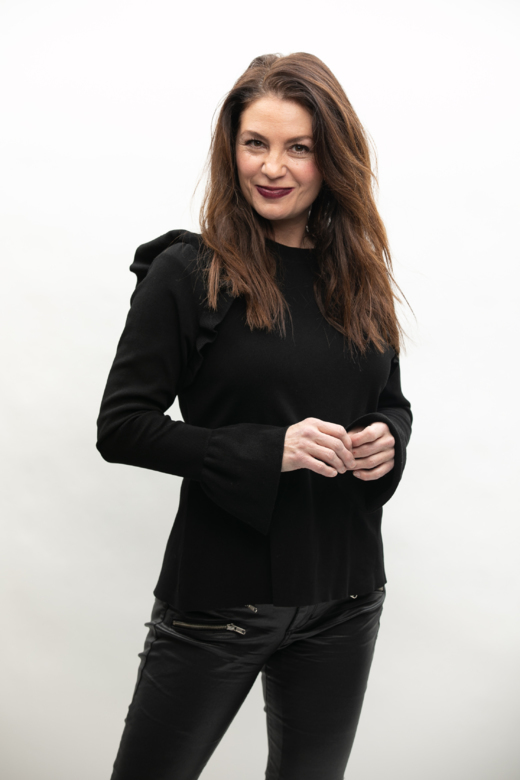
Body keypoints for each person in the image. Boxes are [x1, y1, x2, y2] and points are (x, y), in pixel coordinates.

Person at [96, 51, 413, 780]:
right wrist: (271, 450)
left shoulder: (360, 277)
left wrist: (389, 438)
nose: (273, 167)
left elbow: (390, 400)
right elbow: (122, 426)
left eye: (298, 147)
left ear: (331, 158)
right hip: (221, 601)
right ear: (230, 149)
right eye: (255, 143)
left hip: (346, 594)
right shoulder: (188, 272)